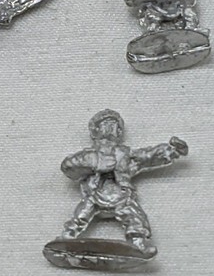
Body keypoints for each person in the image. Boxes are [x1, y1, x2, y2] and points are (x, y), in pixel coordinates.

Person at [60, 109, 188, 255]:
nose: (110, 127)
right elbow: (69, 166)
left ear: (119, 132)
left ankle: (138, 243)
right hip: (94, 195)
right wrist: (95, 163)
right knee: (81, 215)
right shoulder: (88, 155)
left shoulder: (125, 155)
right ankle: (67, 237)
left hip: (122, 196)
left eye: (114, 125)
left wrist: (172, 150)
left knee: (135, 218)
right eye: (105, 124)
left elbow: (148, 156)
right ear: (95, 131)